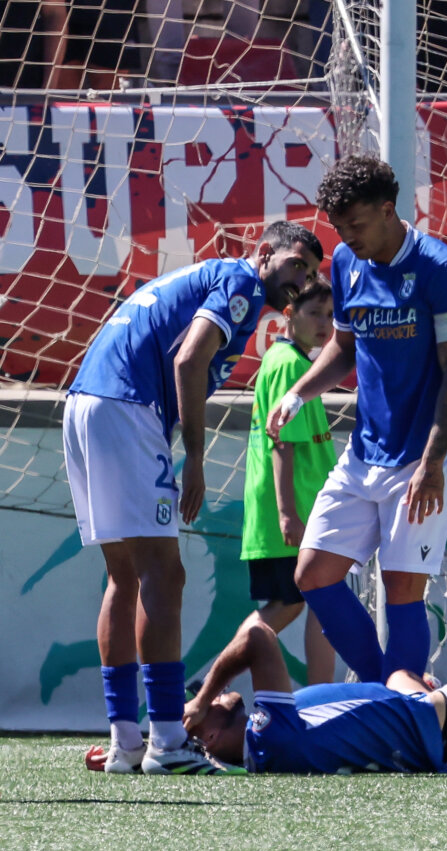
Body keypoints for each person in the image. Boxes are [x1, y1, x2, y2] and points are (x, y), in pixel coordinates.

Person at [63, 220, 323, 775]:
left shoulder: (216, 278)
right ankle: (166, 740)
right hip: (127, 405)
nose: (302, 281)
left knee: (124, 577)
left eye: (310, 273)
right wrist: (197, 457)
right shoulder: (242, 282)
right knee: (164, 573)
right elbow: (189, 359)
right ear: (264, 253)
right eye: (297, 264)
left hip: (86, 401)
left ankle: (126, 742)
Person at [268, 155, 447, 688]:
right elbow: (344, 345)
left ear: (388, 211)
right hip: (366, 450)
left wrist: (431, 464)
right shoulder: (345, 261)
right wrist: (298, 393)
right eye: (338, 227)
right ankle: (388, 693)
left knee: (402, 588)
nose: (346, 237)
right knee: (313, 574)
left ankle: (400, 709)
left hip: (425, 454)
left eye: (356, 224)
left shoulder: (442, 270)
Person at [172, 612, 447, 773]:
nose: (211, 694)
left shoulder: (267, 744)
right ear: (208, 736)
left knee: (399, 674)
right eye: (201, 705)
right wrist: (202, 696)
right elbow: (255, 635)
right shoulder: (267, 735)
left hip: (434, 722)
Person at [241, 278, 338, 686]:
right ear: (288, 315)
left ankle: (322, 698)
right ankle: (211, 686)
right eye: (314, 313)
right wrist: (287, 513)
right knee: (297, 602)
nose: (324, 324)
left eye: (330, 315)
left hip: (302, 507)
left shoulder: (294, 361)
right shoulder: (288, 366)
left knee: (317, 601)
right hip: (293, 510)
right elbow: (282, 442)